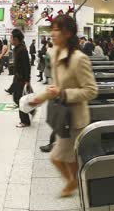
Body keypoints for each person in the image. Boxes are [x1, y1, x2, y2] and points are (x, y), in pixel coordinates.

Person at [30, 15, 98, 197]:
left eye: (56, 29)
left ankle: (73, 182)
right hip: (63, 116)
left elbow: (91, 90)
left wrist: (64, 94)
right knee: (68, 157)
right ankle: (76, 180)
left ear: (67, 33)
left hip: (75, 119)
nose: (52, 33)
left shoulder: (79, 58)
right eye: (51, 28)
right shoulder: (54, 53)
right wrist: (40, 98)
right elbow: (55, 86)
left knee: (56, 157)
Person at [11, 29, 32, 128]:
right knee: (18, 98)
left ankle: (25, 121)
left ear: (16, 39)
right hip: (17, 77)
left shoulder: (22, 50)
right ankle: (31, 109)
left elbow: (26, 65)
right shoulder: (16, 48)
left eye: (11, 38)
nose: (10, 39)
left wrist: (27, 80)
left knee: (20, 99)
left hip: (22, 79)